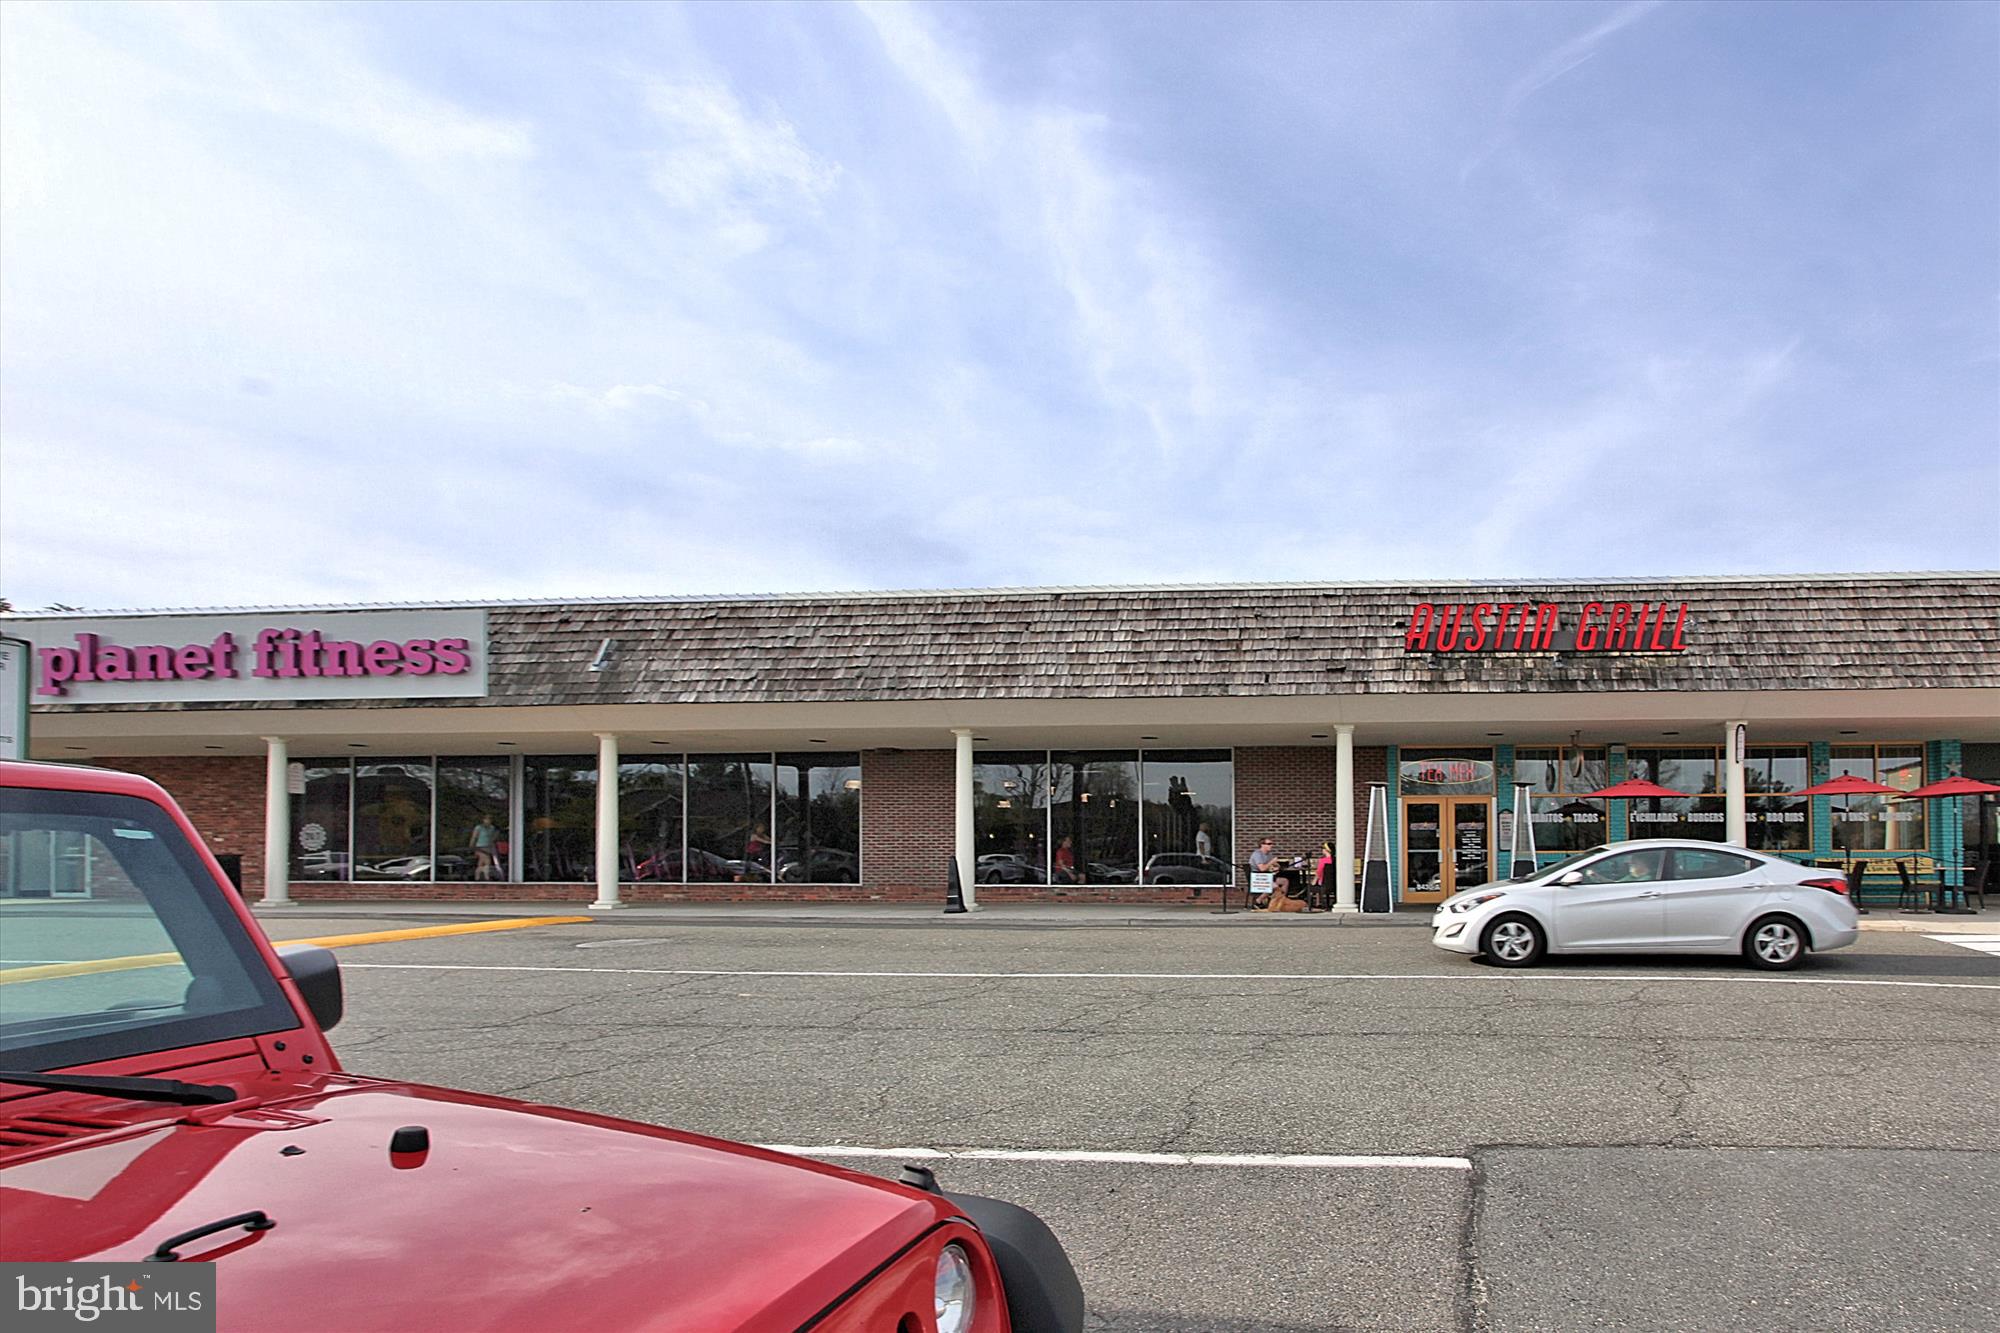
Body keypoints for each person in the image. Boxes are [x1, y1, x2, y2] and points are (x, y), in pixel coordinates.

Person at [1248, 837, 1280, 907]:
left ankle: (1278, 901)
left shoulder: (1269, 854)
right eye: (1269, 844)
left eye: (1271, 844)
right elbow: (1262, 868)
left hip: (1267, 876)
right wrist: (1272, 862)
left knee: (1285, 881)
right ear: (1262, 845)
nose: (1271, 845)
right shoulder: (1257, 854)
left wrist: (1276, 867)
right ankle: (1258, 901)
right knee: (1274, 886)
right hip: (1258, 877)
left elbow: (1272, 866)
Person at [469, 814, 501, 881]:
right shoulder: (479, 828)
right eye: (486, 819)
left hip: (488, 847)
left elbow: (492, 838)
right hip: (480, 847)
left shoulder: (492, 828)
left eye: (489, 819)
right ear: (483, 820)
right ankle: (486, 877)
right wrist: (471, 846)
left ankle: (477, 876)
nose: (488, 821)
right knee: (487, 861)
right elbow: (474, 837)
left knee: (481, 863)